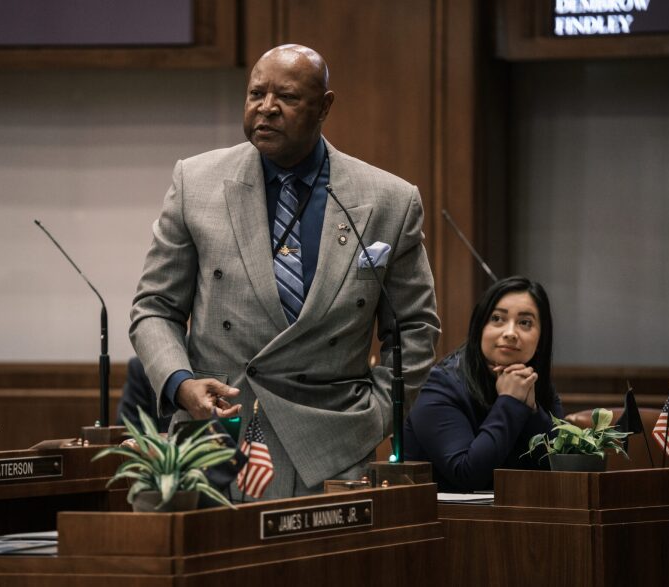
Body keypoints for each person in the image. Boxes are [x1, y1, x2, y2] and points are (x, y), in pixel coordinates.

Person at [130, 44, 440, 499]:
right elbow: (154, 307)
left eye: (288, 97)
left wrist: (376, 415)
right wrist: (181, 383)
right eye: (257, 94)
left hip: (333, 441)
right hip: (220, 433)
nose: (267, 108)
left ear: (324, 107)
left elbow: (414, 328)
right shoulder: (195, 183)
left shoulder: (389, 200)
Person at [403, 276, 564, 493]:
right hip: (440, 512)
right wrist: (510, 402)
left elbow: (563, 469)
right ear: (480, 327)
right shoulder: (438, 385)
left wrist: (533, 411)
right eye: (497, 318)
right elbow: (467, 475)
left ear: (541, 337)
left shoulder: (534, 384)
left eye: (525, 322)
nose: (510, 333)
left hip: (520, 511)